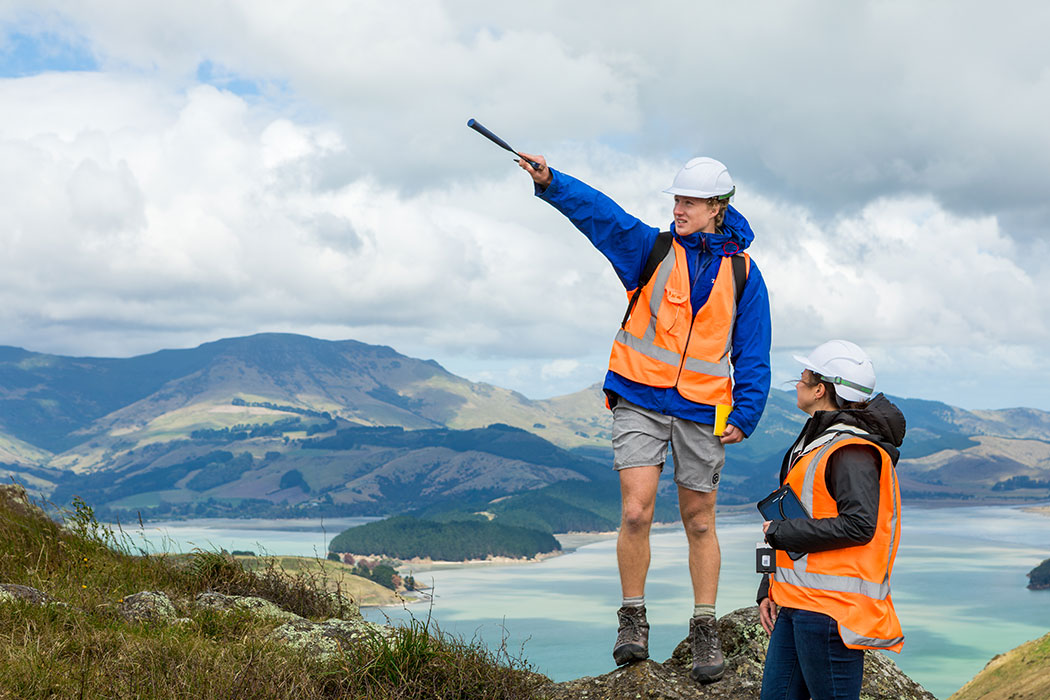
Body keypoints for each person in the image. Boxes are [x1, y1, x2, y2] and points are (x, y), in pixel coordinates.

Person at [518, 153, 772, 682]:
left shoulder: (745, 274)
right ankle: (632, 619)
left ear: (717, 208)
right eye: (676, 199)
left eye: (689, 202)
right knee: (635, 512)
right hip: (638, 398)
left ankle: (705, 627)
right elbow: (602, 216)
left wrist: (747, 411)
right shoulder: (650, 249)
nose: (678, 208)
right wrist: (553, 182)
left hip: (704, 411)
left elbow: (753, 349)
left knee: (699, 520)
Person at [757, 340, 906, 700]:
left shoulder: (850, 450)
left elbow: (859, 525)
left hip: (829, 613)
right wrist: (768, 586)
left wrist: (781, 533)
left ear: (820, 389)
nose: (797, 383)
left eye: (802, 376)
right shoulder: (817, 440)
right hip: (796, 604)